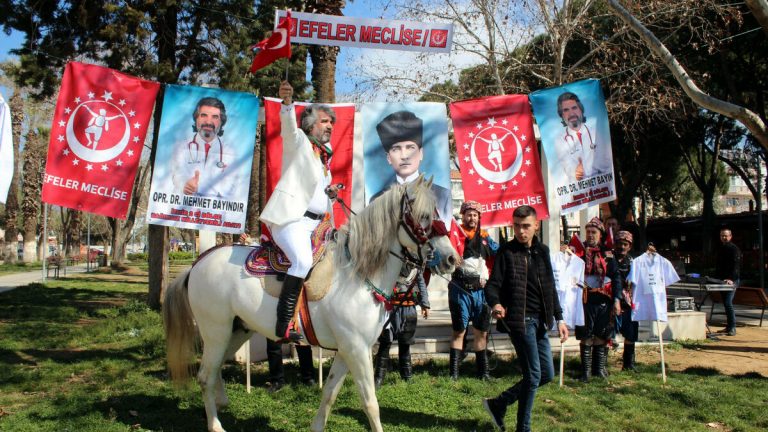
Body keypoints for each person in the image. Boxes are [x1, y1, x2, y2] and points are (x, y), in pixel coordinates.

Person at [259, 81, 336, 342]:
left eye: (331, 122)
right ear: (311, 125)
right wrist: (287, 104)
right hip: (292, 221)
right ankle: (282, 325)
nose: (330, 126)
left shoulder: (324, 157)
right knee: (302, 262)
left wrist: (330, 194)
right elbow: (289, 129)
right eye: (325, 121)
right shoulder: (300, 142)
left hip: (317, 225)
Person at [483, 205, 568, 432]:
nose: (521, 231)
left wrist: (559, 319)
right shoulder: (506, 252)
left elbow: (550, 287)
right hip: (520, 322)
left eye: (526, 226)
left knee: (546, 374)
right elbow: (492, 286)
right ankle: (523, 428)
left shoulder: (543, 251)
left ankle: (499, 404)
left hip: (541, 321)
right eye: (517, 226)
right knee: (533, 376)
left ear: (536, 225)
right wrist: (496, 303)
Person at [370, 110, 453, 226]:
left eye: (410, 148)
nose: (404, 156)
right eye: (396, 149)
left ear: (421, 153)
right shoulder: (377, 199)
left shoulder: (442, 195)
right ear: (388, 158)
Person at [448, 200, 497, 380]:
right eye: (469, 214)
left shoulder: (485, 237)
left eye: (475, 215)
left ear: (479, 217)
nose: (472, 218)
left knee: (481, 332)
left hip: (480, 292)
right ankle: (453, 374)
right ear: (463, 216)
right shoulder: (455, 235)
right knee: (459, 331)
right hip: (460, 290)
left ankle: (483, 373)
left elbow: (499, 253)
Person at [575, 217, 622, 382]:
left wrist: (617, 300)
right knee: (586, 335)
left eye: (593, 232)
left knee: (602, 334)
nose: (590, 235)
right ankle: (586, 372)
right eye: (588, 232)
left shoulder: (608, 254)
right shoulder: (578, 252)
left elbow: (616, 278)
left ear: (600, 234)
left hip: (604, 301)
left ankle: (599, 369)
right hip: (585, 301)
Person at [372, 267, 430, 389]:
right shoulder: (390, 261)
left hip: (408, 310)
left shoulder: (416, 266)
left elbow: (421, 283)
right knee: (385, 343)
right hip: (389, 309)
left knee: (405, 344)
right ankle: (378, 378)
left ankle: (407, 377)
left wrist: (425, 304)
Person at [171, 97, 240, 197]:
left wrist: (200, 186)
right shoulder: (181, 147)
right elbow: (177, 175)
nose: (208, 122)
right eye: (204, 115)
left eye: (215, 117)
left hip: (213, 207)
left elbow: (230, 186)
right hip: (184, 205)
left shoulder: (229, 152)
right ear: (196, 119)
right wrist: (185, 184)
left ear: (221, 122)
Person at [554, 92, 611, 183]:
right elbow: (568, 168)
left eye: (574, 108)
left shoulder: (596, 133)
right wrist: (576, 171)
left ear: (581, 110)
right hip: (579, 188)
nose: (571, 113)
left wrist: (584, 167)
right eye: (566, 110)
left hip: (601, 186)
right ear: (562, 115)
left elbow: (605, 162)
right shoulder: (560, 141)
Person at [613, 230, 638, 370]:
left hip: (629, 303)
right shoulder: (609, 260)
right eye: (619, 244)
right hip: (611, 301)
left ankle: (629, 364)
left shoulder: (634, 262)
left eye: (625, 244)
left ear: (630, 246)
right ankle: (601, 366)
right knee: (607, 334)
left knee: (631, 333)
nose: (621, 247)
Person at [714, 227, 741, 336]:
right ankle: (729, 326)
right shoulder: (721, 248)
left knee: (728, 303)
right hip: (722, 280)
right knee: (726, 303)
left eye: (726, 235)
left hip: (731, 280)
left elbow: (736, 265)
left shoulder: (734, 249)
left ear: (730, 236)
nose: (724, 237)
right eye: (722, 235)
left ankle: (732, 327)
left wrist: (731, 279)